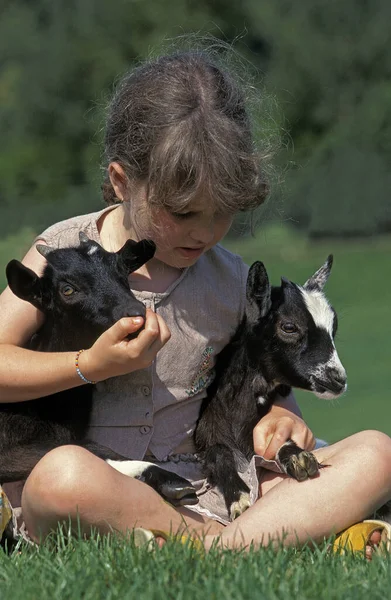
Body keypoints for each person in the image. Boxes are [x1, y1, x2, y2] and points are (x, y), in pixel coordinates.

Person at [0, 47, 391, 558]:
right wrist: (86, 366)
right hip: (106, 482)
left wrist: (280, 420)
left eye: (222, 213)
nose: (205, 233)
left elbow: (265, 384)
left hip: (210, 483)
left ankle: (212, 546)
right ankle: (252, 543)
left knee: (377, 453)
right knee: (59, 480)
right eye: (183, 213)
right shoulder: (63, 253)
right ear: (123, 182)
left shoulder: (228, 279)